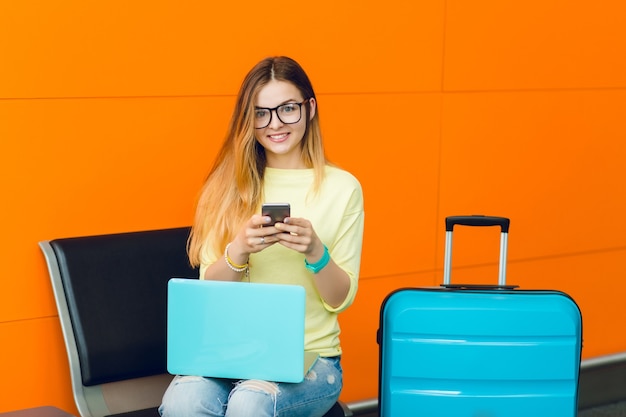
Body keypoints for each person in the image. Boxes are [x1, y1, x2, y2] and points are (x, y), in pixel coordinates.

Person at [159, 56, 365, 417]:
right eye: (261, 113)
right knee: (183, 401)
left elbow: (340, 299)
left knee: (251, 402)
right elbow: (209, 292)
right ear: (247, 119)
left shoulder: (342, 188)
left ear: (310, 108)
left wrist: (316, 252)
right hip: (227, 352)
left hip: (311, 357)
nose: (275, 124)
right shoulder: (224, 187)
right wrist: (238, 252)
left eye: (287, 109)